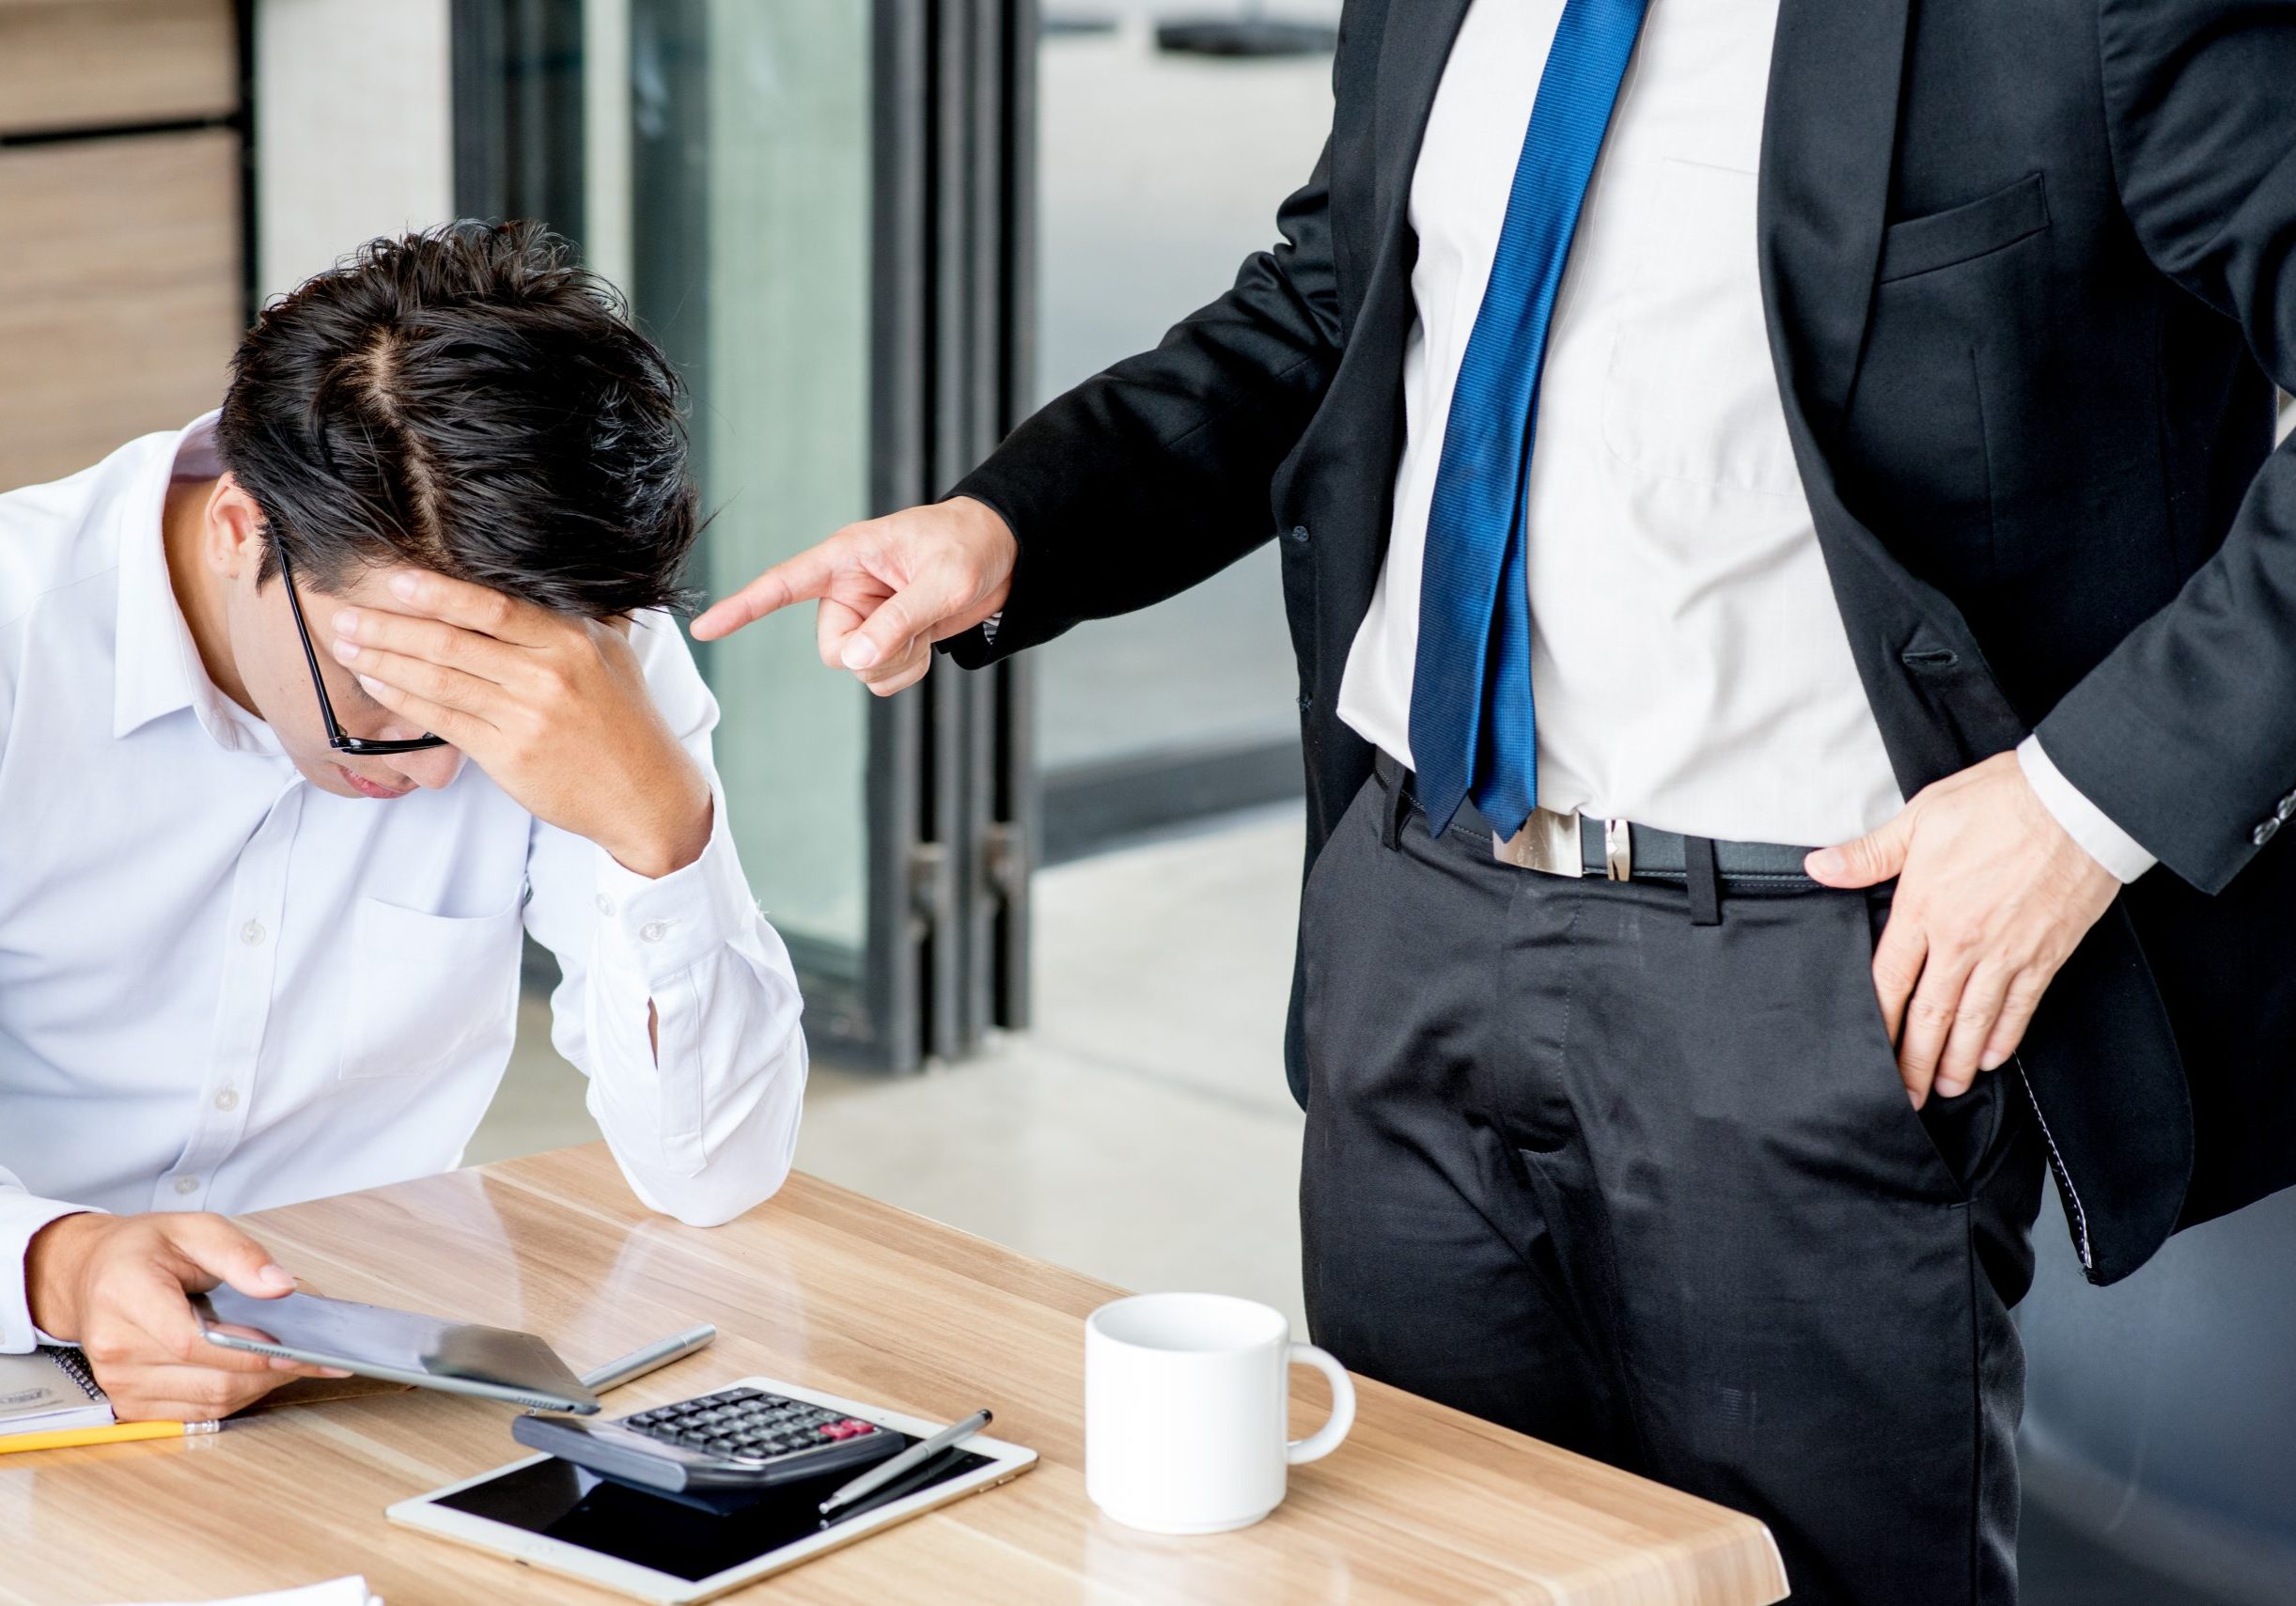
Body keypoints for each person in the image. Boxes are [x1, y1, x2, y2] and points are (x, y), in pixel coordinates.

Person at [693, 2, 2296, 1602]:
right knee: (1419, 1566)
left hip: (1808, 975)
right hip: (1413, 912)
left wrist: (2072, 808)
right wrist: (1013, 523)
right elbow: (1328, 306)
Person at [0, 222, 806, 1424]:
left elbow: (712, 1168)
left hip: (360, 1377)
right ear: (241, 529)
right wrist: (57, 1262)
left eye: (485, 713)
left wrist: (655, 821)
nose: (444, 772)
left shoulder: (583, 663)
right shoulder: (21, 632)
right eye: (388, 688)